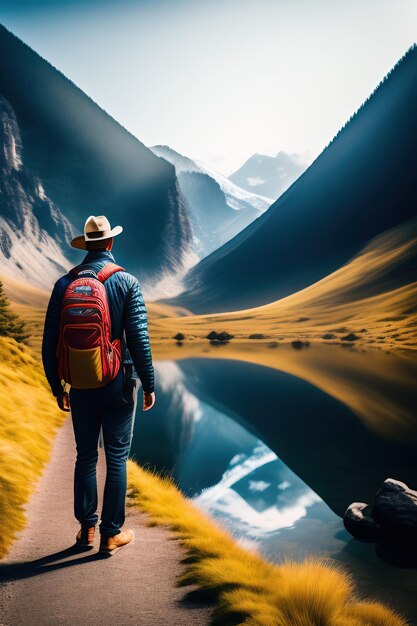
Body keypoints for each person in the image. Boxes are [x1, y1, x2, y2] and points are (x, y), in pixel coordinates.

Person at [42, 215, 155, 555]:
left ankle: (86, 529)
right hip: (118, 382)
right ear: (110, 244)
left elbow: (49, 343)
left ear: (86, 245)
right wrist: (148, 383)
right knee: (117, 458)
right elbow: (138, 340)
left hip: (80, 383)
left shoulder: (65, 284)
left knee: (86, 456)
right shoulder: (127, 282)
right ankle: (111, 535)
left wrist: (57, 387)